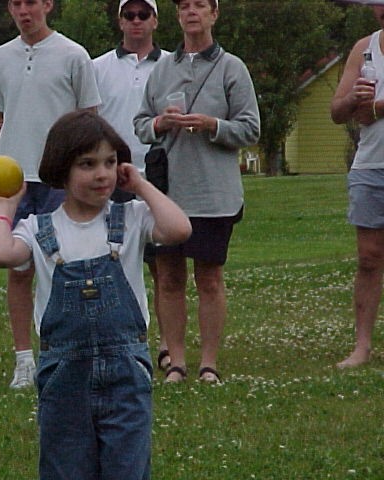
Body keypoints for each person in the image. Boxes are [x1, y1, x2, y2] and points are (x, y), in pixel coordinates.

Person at [0, 110, 191, 479]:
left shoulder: (131, 216)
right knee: (66, 467)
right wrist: (5, 208)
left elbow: (179, 229)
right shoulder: (38, 228)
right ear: (62, 169)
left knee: (127, 468)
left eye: (110, 162)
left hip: (126, 373)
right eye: (87, 164)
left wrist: (140, 185)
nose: (102, 174)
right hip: (64, 376)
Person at [133, 0, 260, 383]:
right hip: (168, 194)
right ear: (177, 16)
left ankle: (209, 364)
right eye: (184, 5)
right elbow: (140, 124)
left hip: (213, 194)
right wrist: (160, 122)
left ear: (213, 14)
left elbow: (250, 128)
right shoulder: (161, 70)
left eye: (200, 5)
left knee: (209, 279)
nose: (191, 12)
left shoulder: (232, 68)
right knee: (169, 278)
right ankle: (176, 362)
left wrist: (212, 125)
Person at [0, 0, 101, 389]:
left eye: (31, 2)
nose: (24, 11)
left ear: (47, 5)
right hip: (14, 182)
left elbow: (89, 120)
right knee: (17, 270)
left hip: (59, 179)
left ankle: (69, 354)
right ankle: (23, 360)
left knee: (66, 270)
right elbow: (1, 119)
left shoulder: (74, 55)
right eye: (17, 3)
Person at [93, 0, 173, 373]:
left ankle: (168, 344)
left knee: (164, 270)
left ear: (155, 20)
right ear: (120, 20)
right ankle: (119, 341)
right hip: (111, 178)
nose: (136, 21)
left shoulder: (172, 65)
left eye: (144, 15)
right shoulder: (97, 68)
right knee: (112, 267)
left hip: (159, 175)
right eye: (130, 15)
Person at [331, 4, 384, 369]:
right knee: (368, 257)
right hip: (370, 165)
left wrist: (376, 108)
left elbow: (373, 112)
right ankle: (362, 346)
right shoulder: (364, 48)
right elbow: (337, 111)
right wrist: (355, 100)